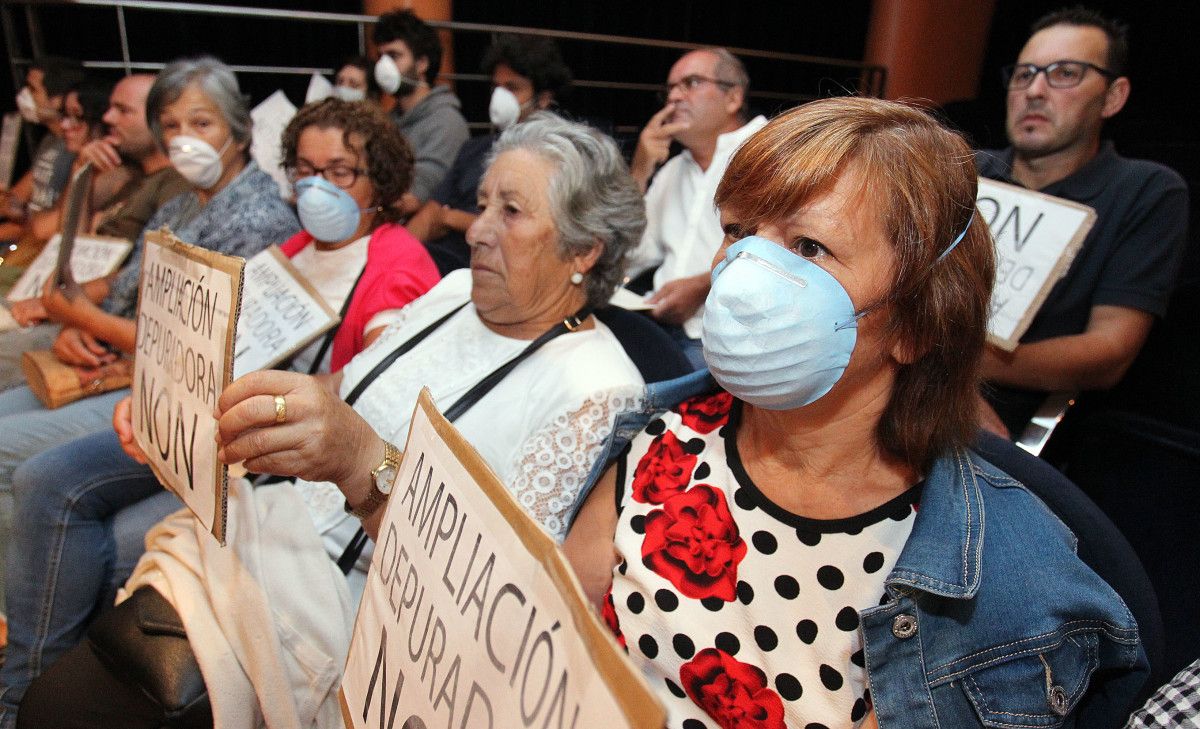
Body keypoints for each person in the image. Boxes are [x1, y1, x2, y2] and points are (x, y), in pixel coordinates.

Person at [16, 113, 649, 728]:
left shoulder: (597, 388)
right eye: (482, 204)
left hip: (359, 617)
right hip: (277, 528)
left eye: (510, 212)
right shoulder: (456, 292)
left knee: (61, 703)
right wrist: (192, 409)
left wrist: (360, 459)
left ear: (585, 250)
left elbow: (490, 599)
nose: (477, 229)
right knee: (66, 677)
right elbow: (338, 387)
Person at [563, 97, 1148, 728]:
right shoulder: (653, 434)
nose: (743, 274)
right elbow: (554, 648)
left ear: (918, 324)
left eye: (809, 246)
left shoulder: (1002, 593)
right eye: (737, 231)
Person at [0, 96, 440, 726]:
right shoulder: (293, 246)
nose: (319, 187)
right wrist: (152, 400)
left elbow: (366, 397)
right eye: (307, 170)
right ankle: (24, 696)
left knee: (114, 542)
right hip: (204, 430)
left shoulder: (398, 268)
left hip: (264, 465)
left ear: (383, 181)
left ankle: (40, 694)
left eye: (340, 172)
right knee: (41, 480)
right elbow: (216, 348)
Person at [0, 55, 298, 654]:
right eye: (173, 125)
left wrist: (83, 320)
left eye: (203, 124)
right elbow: (130, 286)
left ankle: (28, 658)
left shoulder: (258, 215)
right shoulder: (183, 201)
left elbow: (205, 348)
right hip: (117, 366)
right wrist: (78, 325)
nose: (186, 139)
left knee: (18, 462)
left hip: (168, 393)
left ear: (240, 131)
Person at [976, 7, 1189, 437]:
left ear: (1113, 96)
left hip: (1019, 429)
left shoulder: (1146, 190)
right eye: (1023, 74)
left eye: (1065, 73)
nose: (1034, 90)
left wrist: (945, 364)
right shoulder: (965, 171)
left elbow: (1108, 353)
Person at [0, 73, 190, 392]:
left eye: (123, 110)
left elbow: (152, 273)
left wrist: (59, 304)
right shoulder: (127, 176)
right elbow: (70, 242)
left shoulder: (178, 186)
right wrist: (80, 173)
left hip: (96, 318)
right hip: (67, 304)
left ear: (161, 121)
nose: (107, 118)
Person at [623, 48, 767, 369]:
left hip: (732, 338)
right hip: (658, 325)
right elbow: (631, 254)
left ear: (733, 98)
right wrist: (640, 171)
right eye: (670, 88)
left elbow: (786, 251)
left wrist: (703, 286)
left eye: (690, 83)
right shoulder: (674, 168)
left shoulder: (770, 151)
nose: (674, 97)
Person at [407, 32, 572, 273]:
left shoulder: (554, 160)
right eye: (496, 86)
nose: (499, 96)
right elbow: (431, 212)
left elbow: (533, 230)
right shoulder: (474, 149)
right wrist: (396, 255)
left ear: (543, 98)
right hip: (439, 263)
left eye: (512, 88)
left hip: (489, 269)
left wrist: (451, 218)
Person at [371, 9, 468, 211]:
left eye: (393, 56)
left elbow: (414, 196)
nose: (383, 66)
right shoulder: (389, 120)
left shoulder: (447, 122)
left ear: (422, 63)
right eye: (381, 56)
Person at [0, 57, 87, 265]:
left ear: (57, 99)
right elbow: (12, 201)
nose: (24, 96)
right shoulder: (49, 141)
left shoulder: (77, 150)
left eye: (32, 89)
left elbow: (50, 225)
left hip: (42, 250)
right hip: (26, 241)